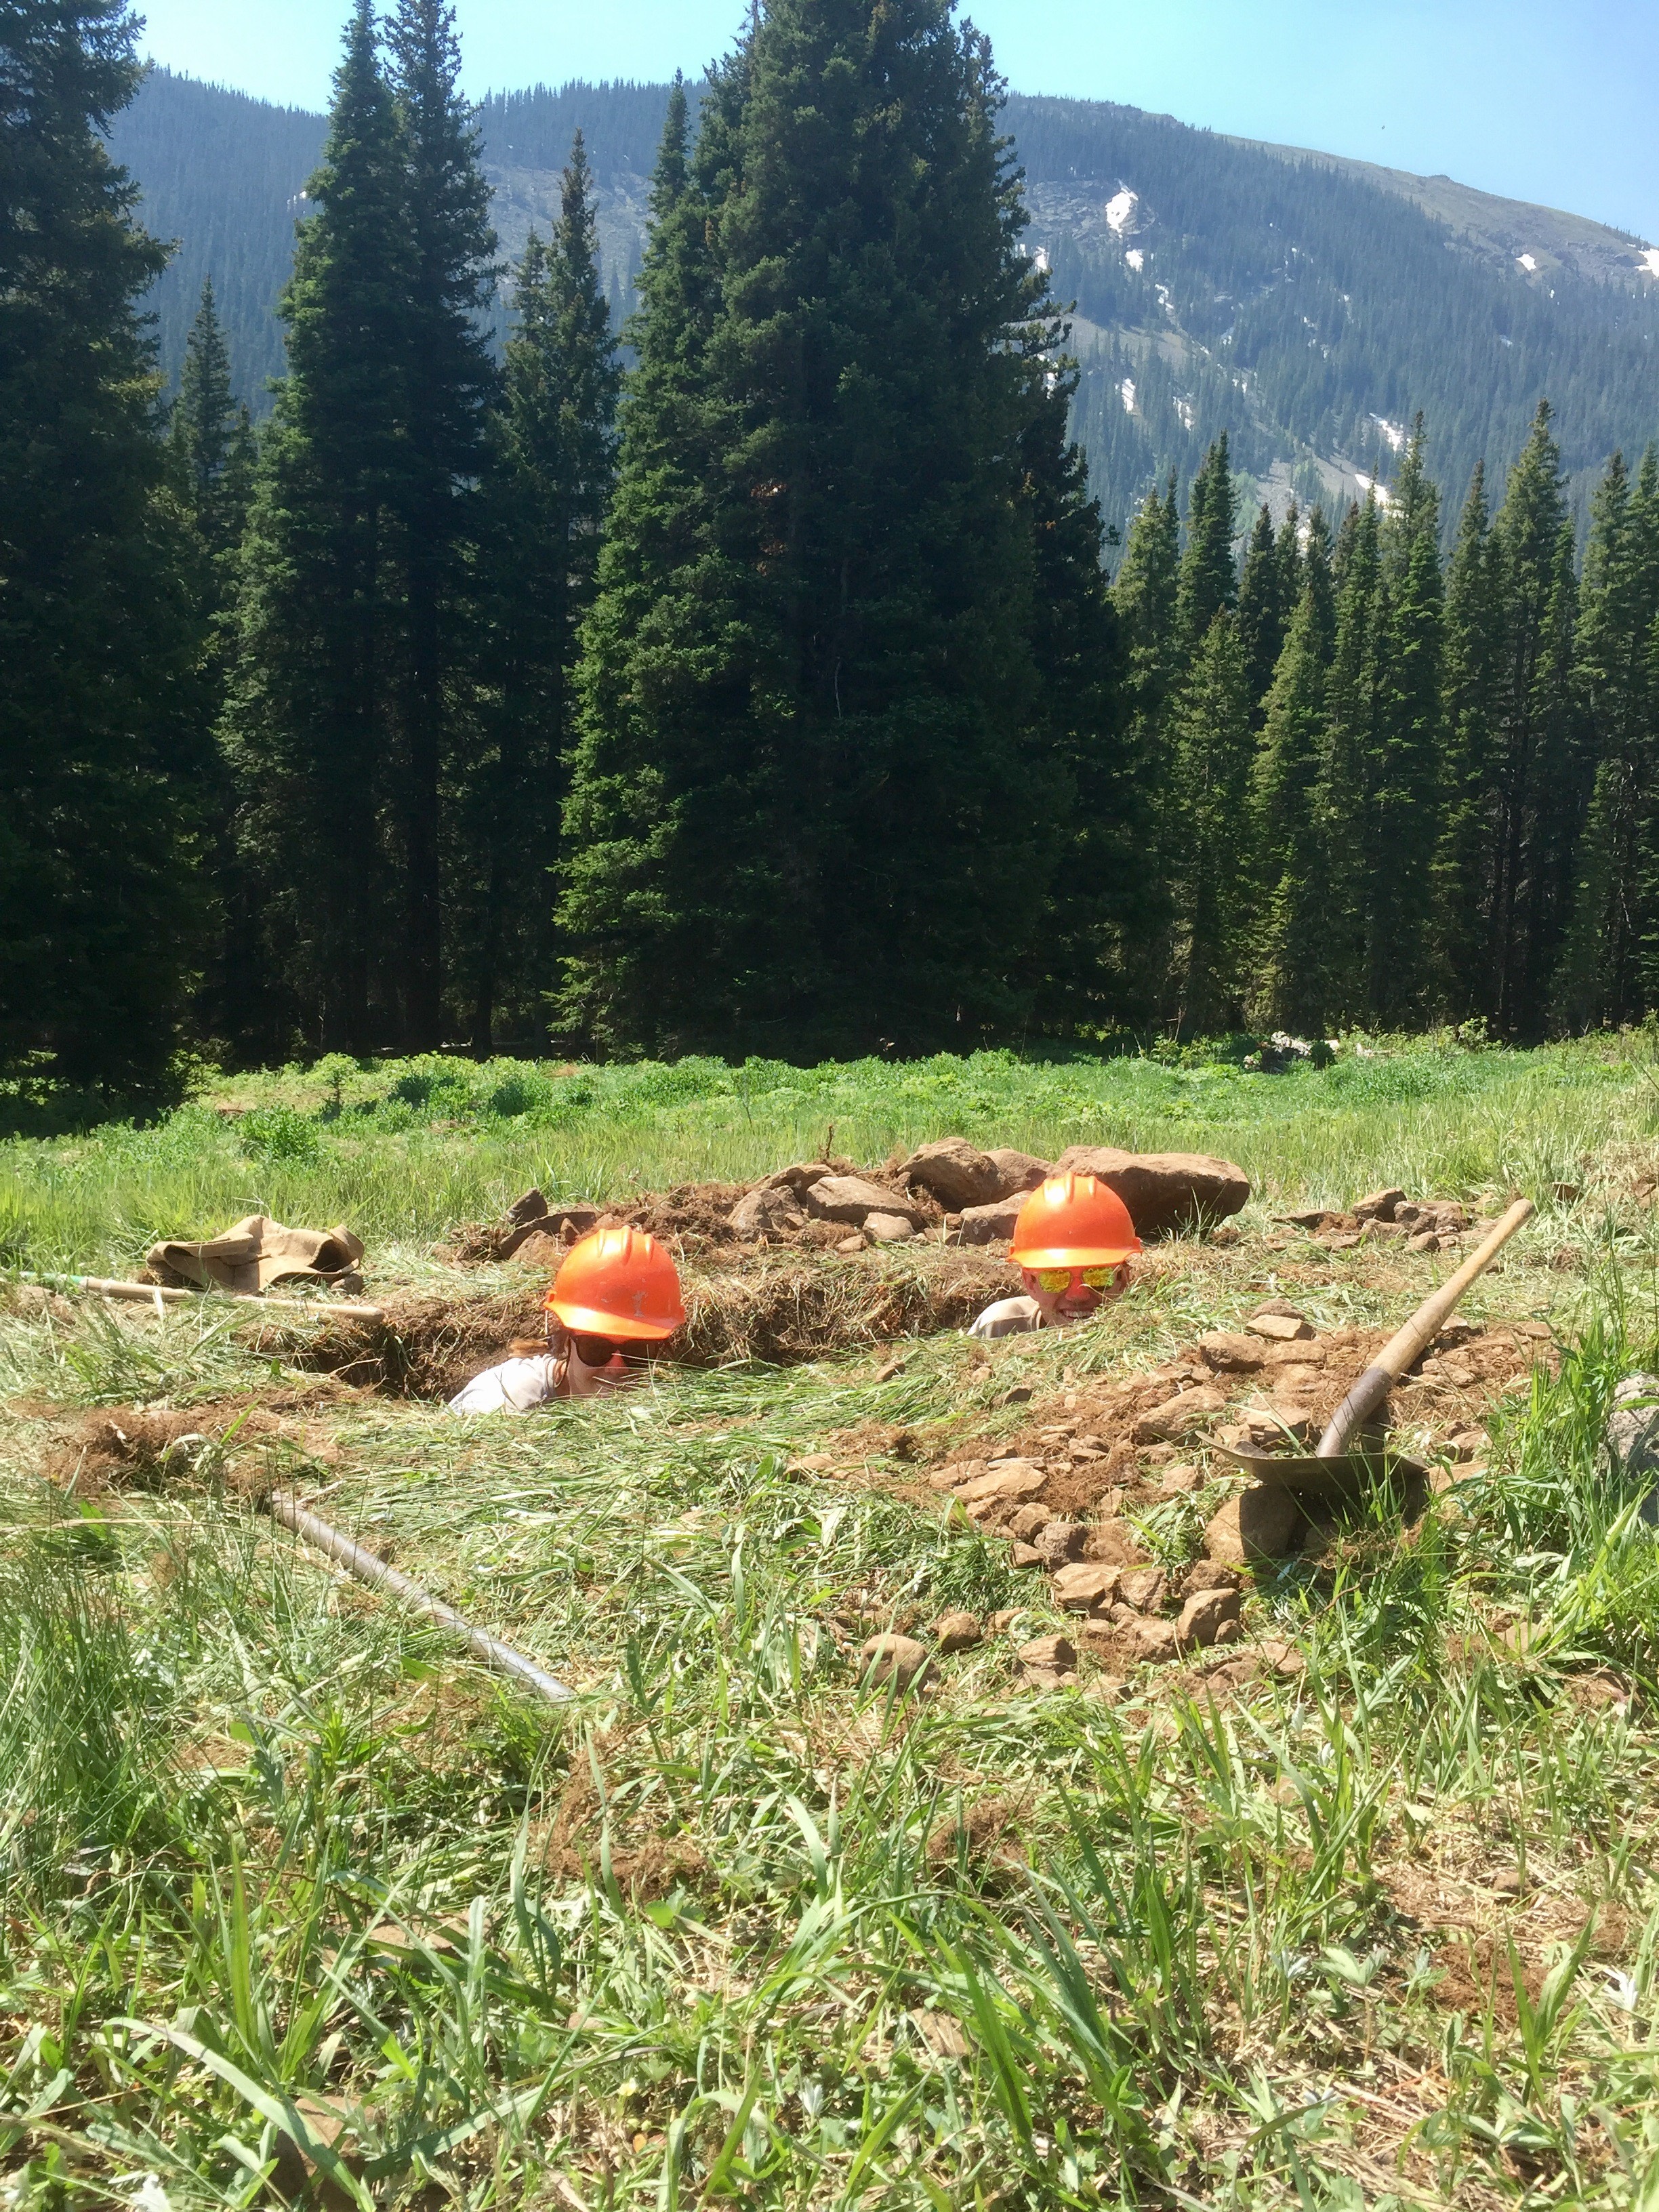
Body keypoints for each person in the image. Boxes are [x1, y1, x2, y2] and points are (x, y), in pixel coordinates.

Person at [447, 1225, 687, 1414]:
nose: (616, 1368)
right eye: (596, 1348)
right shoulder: (504, 1403)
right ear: (565, 1344)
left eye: (638, 1352)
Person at [967, 1172, 1140, 1340]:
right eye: (1056, 1278)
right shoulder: (998, 1330)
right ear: (1030, 1283)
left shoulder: (1144, 1336)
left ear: (1123, 1279)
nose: (1077, 1295)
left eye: (1097, 1276)